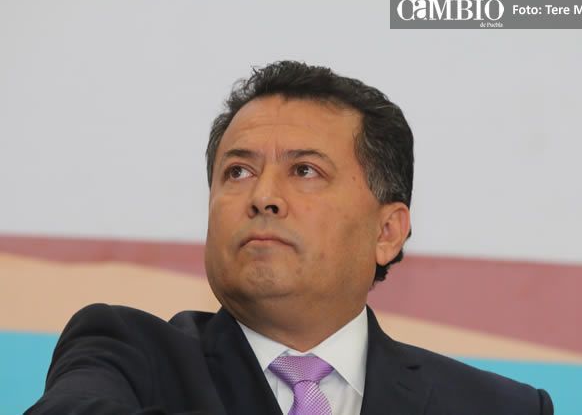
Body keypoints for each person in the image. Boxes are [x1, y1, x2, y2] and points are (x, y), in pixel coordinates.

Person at [28, 61, 554, 415]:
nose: (263, 197)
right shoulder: (126, 353)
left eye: (305, 171)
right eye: (237, 172)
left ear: (387, 231)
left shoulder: (498, 407)